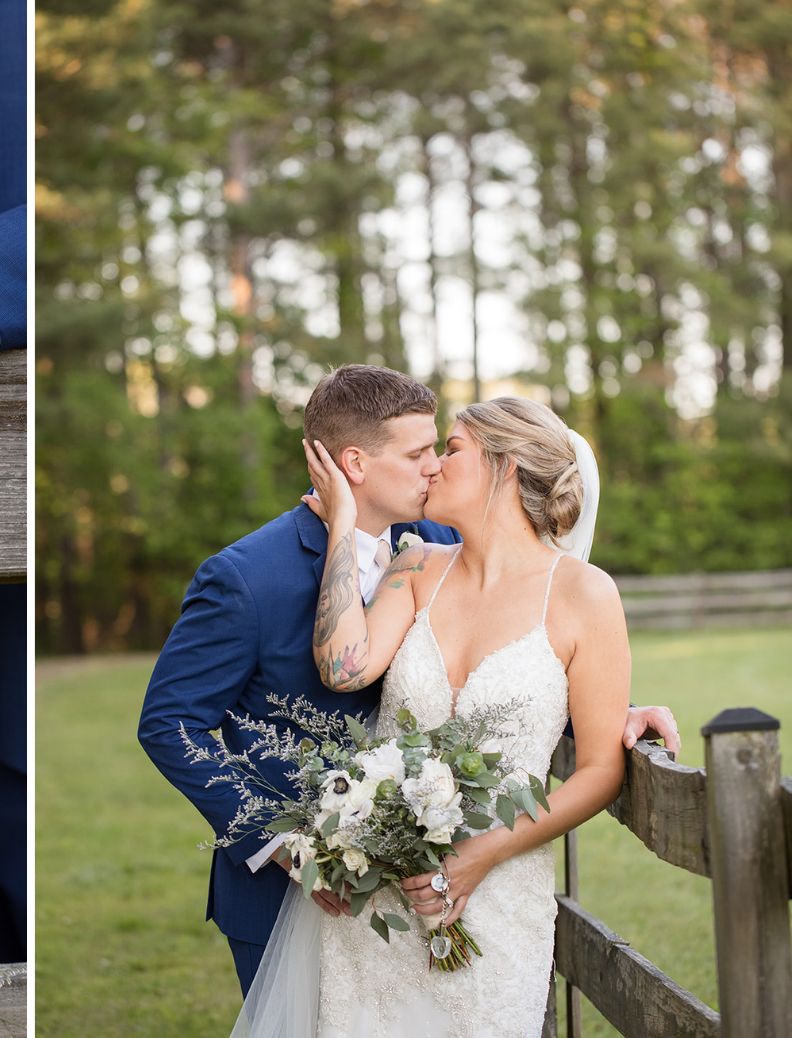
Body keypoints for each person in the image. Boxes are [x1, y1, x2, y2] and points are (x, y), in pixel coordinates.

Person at [137, 365, 681, 998]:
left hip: (449, 886)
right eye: (420, 452)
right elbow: (170, 722)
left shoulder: (439, 543)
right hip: (290, 892)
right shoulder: (248, 576)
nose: (434, 467)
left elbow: (513, 656)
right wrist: (280, 842)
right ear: (355, 464)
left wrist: (618, 708)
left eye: (442, 450)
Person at [234, 395, 629, 1037]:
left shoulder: (586, 595)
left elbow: (600, 771)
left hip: (497, 894)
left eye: (452, 450)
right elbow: (343, 667)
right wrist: (342, 520)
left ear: (505, 468)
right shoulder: (416, 565)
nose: (434, 467)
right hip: (378, 903)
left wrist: (477, 858)